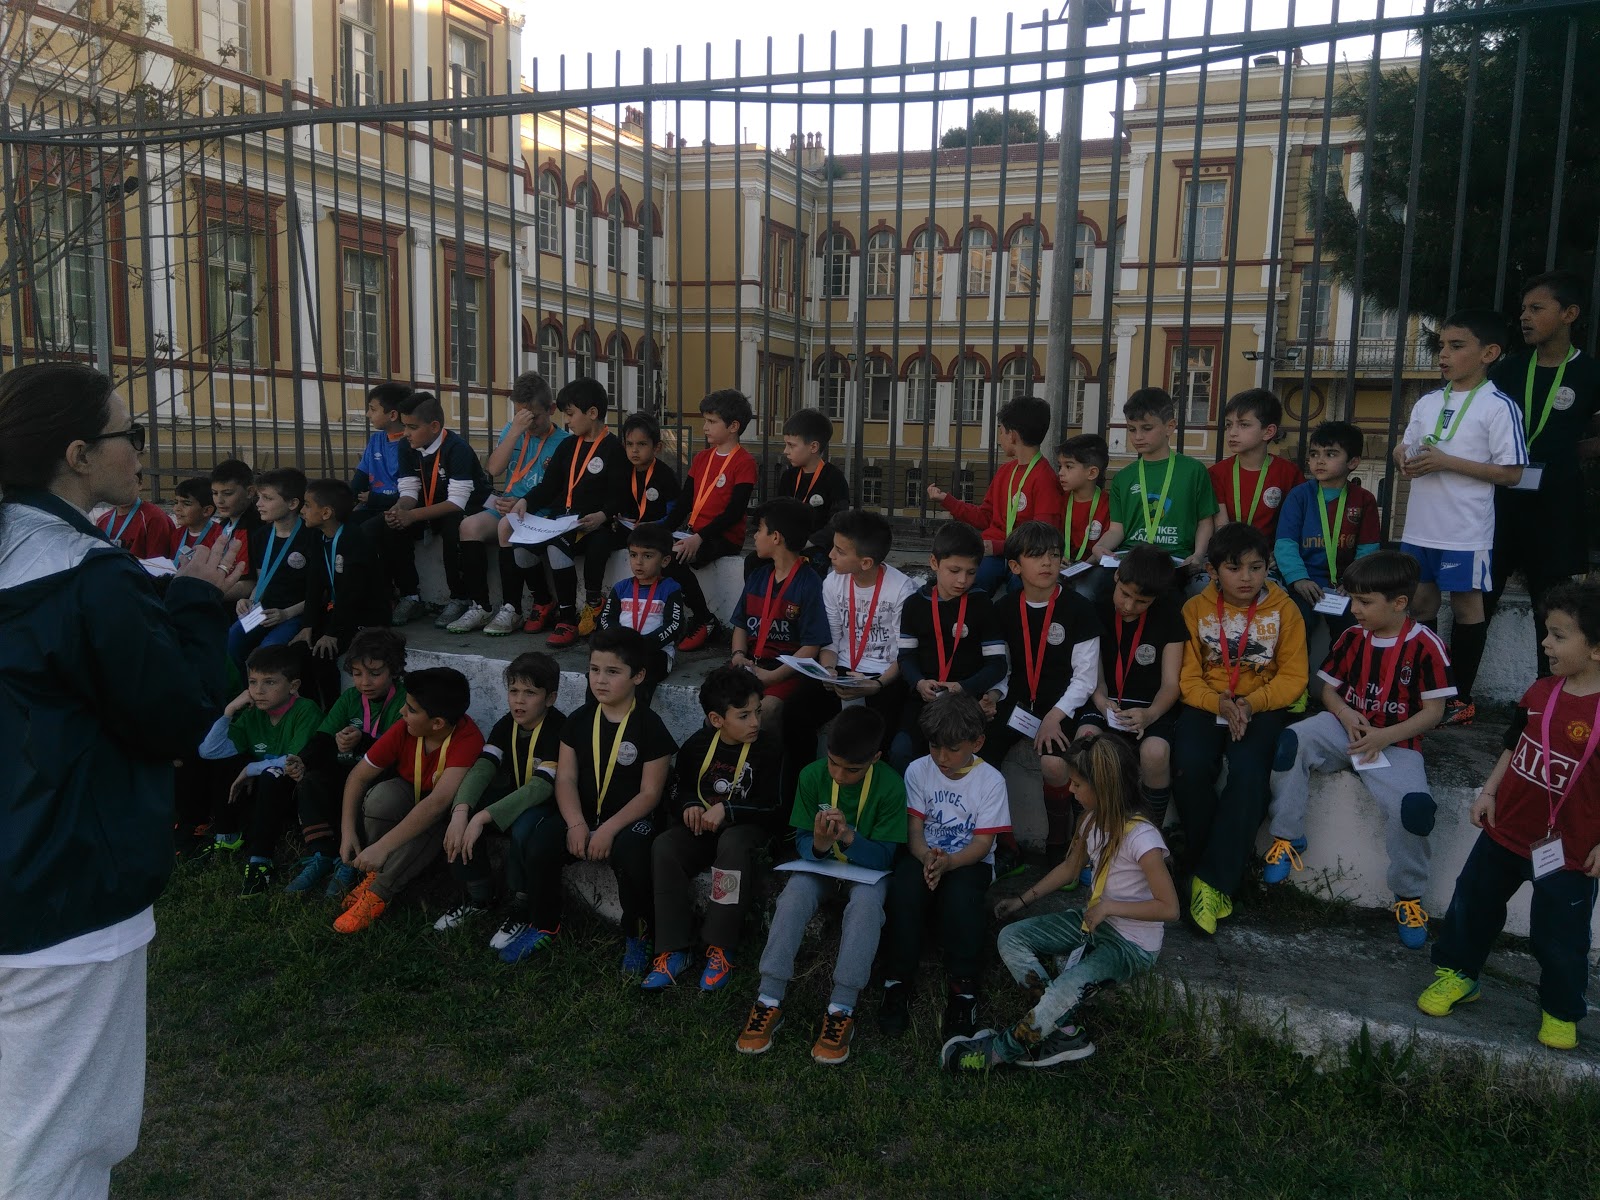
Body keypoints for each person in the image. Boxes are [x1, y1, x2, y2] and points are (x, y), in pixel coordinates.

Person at [0, 361, 238, 1200]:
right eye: (127, 435)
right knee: (59, 1145)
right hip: (63, 889)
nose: (140, 451)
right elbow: (173, 718)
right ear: (77, 454)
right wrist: (197, 601)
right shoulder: (86, 576)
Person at [1419, 582, 1600, 1051]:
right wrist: (1489, 791)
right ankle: (1460, 974)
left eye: (1559, 636)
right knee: (1472, 904)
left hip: (1570, 850)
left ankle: (1560, 1008)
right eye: (1547, 632)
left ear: (1596, 649)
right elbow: (1512, 744)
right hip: (1505, 829)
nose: (1546, 643)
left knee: (1559, 934)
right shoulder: (1539, 690)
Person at [943, 735, 1177, 1072]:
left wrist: (1110, 907)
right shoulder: (1091, 820)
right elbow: (1069, 868)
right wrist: (1021, 901)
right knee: (1011, 937)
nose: (1070, 790)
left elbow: (1169, 908)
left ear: (1104, 788)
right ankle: (1063, 1030)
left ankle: (997, 1053)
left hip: (1131, 945)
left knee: (1063, 990)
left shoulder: (1143, 838)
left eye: (1077, 784)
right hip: (1094, 921)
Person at [1264, 551, 1455, 947]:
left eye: (1364, 602)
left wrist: (1385, 737)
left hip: (1396, 742)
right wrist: (1344, 712)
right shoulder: (1352, 636)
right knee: (1292, 741)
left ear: (1399, 603)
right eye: (1352, 599)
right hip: (1345, 728)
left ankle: (1408, 896)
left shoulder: (1427, 645)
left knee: (1415, 809)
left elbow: (1434, 713)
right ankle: (1287, 836)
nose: (1354, 609)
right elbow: (1328, 690)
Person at [735, 707, 907, 1065]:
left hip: (867, 874)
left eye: (852, 769)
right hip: (821, 868)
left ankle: (841, 1008)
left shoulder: (891, 785)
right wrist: (818, 844)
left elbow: (884, 858)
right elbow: (801, 842)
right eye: (833, 763)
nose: (839, 776)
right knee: (793, 896)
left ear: (875, 758)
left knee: (866, 907)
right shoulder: (812, 775)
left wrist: (848, 837)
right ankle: (768, 998)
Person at [499, 628, 676, 970]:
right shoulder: (579, 720)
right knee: (540, 845)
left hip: (627, 820)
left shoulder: (650, 726)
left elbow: (650, 793)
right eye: (594, 669)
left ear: (638, 676)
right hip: (581, 815)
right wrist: (576, 823)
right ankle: (544, 924)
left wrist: (608, 829)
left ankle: (638, 934)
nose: (600, 680)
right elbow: (565, 778)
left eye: (612, 671)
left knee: (634, 858)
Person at [1171, 522, 1308, 935]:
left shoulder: (1285, 610)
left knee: (1249, 774)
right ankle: (1210, 865)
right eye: (1234, 568)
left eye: (1256, 567)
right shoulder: (1194, 610)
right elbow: (1187, 676)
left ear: (1268, 567)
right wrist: (1219, 702)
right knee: (1190, 766)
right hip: (1209, 703)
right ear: (1212, 571)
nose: (1246, 577)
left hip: (1262, 706)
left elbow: (1294, 677)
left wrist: (1250, 703)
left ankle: (1212, 882)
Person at [1394, 308, 1527, 726]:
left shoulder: (1499, 406)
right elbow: (1404, 446)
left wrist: (1447, 462)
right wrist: (1402, 457)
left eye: (1456, 346)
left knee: (1468, 609)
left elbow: (1512, 473)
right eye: (1441, 346)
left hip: (1464, 532)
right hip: (1420, 526)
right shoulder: (1428, 401)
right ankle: (1427, 692)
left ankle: (1461, 699)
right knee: (1421, 605)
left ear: (1489, 353)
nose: (1444, 355)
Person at [1486, 271, 1600, 679]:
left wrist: (1574, 451)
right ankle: (1458, 697)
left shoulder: (1590, 372)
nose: (1525, 317)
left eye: (1536, 309)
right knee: (1480, 598)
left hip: (1557, 505)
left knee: (1548, 607)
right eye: (1523, 309)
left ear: (1569, 314)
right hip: (1501, 501)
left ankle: (1545, 697)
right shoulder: (1508, 370)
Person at [880, 692, 1011, 1042]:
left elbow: (982, 844)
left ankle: (963, 986)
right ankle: (897, 979)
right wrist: (926, 857)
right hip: (924, 855)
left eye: (952, 749)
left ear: (977, 743)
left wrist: (949, 862)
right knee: (904, 888)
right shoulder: (918, 770)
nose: (941, 757)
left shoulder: (991, 781)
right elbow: (914, 830)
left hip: (969, 860)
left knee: (963, 897)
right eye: (934, 746)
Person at [645, 666, 783, 992]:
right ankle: (674, 948)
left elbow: (777, 807)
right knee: (665, 847)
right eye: (744, 715)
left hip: (746, 832)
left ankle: (721, 947)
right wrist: (689, 805)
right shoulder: (697, 745)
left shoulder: (770, 749)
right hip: (703, 831)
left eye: (758, 712)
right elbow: (677, 789)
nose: (755, 722)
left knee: (733, 846)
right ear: (717, 719)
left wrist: (729, 809)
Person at [979, 520, 1099, 868]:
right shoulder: (1003, 609)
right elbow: (1002, 667)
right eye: (1035, 555)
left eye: (1054, 555)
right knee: (980, 751)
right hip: (1017, 702)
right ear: (1015, 566)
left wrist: (1054, 716)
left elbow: (1085, 678)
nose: (1047, 563)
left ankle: (1059, 841)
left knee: (1053, 762)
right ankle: (1002, 842)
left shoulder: (1079, 608)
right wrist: (993, 696)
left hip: (1065, 705)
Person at [335, 667, 485, 934]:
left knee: (430, 824)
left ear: (437, 723)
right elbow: (358, 777)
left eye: (411, 709)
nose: (402, 712)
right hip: (411, 795)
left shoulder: (468, 739)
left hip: (445, 814)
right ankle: (378, 871)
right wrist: (347, 832)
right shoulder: (405, 727)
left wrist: (382, 847)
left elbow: (437, 804)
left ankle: (380, 891)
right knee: (382, 797)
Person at [438, 652, 566, 947]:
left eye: (530, 693)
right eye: (513, 691)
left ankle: (522, 905)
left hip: (548, 805)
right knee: (461, 806)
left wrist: (483, 818)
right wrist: (461, 811)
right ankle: (478, 896)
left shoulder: (559, 729)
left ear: (550, 698)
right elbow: (483, 768)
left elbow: (541, 788)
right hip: (516, 796)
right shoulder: (506, 724)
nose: (519, 701)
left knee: (524, 829)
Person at [500, 377, 628, 647]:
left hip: (592, 525)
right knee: (520, 546)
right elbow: (549, 487)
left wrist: (602, 515)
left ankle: (568, 618)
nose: (567, 422)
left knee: (556, 548)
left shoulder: (613, 449)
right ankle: (543, 601)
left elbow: (621, 495)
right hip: (561, 521)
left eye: (570, 414)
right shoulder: (568, 446)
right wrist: (525, 502)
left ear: (592, 413)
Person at [283, 628, 409, 898]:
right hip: (347, 769)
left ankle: (351, 858)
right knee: (311, 780)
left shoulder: (404, 700)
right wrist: (301, 760)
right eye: (357, 674)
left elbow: (396, 750)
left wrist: (362, 741)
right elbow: (323, 738)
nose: (365, 682)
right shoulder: (350, 698)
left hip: (383, 775)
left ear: (395, 670)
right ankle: (323, 854)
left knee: (368, 791)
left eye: (375, 674)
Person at [193, 643, 323, 893]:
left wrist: (252, 767)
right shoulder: (254, 714)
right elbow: (209, 751)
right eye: (253, 682)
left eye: (269, 682)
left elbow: (292, 760)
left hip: (293, 792)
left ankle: (260, 860)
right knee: (226, 761)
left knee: (271, 774)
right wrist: (229, 711)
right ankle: (226, 836)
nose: (258, 691)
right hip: (258, 793)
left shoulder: (306, 710)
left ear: (293, 686)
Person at [450, 371, 568, 636]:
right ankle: (480, 605)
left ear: (551, 410)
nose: (529, 423)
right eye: (521, 416)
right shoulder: (513, 431)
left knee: (506, 526)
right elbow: (494, 469)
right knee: (468, 526)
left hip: (537, 512)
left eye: (534, 417)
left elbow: (557, 491)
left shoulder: (564, 442)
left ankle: (512, 608)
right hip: (507, 507)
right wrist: (515, 430)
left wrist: (522, 502)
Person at [1079, 546, 1187, 829]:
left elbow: (1171, 684)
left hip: (1151, 708)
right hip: (1105, 700)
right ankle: (1090, 832)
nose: (1128, 606)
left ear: (1156, 597)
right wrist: (1101, 702)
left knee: (1155, 753)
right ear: (1116, 576)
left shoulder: (1170, 616)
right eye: (1125, 594)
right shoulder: (1097, 608)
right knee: (1085, 742)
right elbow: (1094, 675)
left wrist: (1150, 715)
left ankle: (1148, 834)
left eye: (1141, 602)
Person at [891, 522, 1007, 771]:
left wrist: (964, 687)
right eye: (954, 570)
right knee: (901, 751)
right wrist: (919, 682)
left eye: (971, 572)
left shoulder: (982, 604)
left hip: (968, 700)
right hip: (925, 699)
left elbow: (997, 664)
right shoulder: (914, 604)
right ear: (934, 562)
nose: (962, 580)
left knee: (978, 760)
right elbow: (906, 657)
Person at [380, 391, 494, 631]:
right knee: (387, 528)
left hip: (467, 507)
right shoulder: (406, 446)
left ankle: (460, 598)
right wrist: (399, 510)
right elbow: (409, 490)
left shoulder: (457, 448)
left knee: (454, 527)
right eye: (404, 426)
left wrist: (412, 515)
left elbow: (457, 502)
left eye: (412, 427)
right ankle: (410, 596)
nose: (406, 433)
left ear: (434, 426)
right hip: (431, 507)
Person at [929, 394, 1064, 594]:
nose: (1000, 438)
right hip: (994, 555)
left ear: (1013, 436)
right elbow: (985, 517)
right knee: (966, 582)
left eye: (1001, 431)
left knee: (1021, 589)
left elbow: (1041, 538)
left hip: (1026, 557)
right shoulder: (1005, 472)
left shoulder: (1045, 478)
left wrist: (998, 547)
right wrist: (947, 500)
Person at [659, 388, 759, 650]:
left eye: (712, 421)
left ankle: (704, 619)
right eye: (705, 420)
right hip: (695, 534)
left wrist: (699, 538)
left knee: (672, 559)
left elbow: (734, 512)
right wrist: (662, 531)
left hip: (723, 537)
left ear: (733, 426)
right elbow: (684, 502)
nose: (705, 427)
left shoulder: (744, 462)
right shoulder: (702, 458)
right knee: (653, 548)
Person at [728, 498, 831, 749]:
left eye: (759, 530)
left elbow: (811, 647)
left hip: (786, 671)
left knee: (768, 710)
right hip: (751, 665)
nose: (754, 536)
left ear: (776, 537)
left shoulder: (810, 583)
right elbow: (741, 624)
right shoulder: (758, 576)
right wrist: (738, 655)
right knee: (719, 706)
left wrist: (772, 677)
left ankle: (768, 765)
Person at [1093, 387, 1218, 584]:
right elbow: (1117, 530)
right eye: (1132, 429)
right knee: (1091, 588)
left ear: (1170, 427)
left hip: (1174, 559)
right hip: (1131, 560)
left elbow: (1205, 521)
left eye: (1147, 428)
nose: (1137, 437)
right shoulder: (1123, 477)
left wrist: (1198, 554)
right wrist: (1100, 546)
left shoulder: (1194, 470)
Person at [1273, 420, 1380, 645]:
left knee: (1354, 630)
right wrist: (1298, 578)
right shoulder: (1299, 496)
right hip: (1305, 581)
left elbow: (1368, 549)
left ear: (1353, 462)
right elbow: (1285, 543)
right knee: (1297, 624)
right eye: (1314, 454)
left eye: (1330, 454)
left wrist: (1353, 582)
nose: (1319, 461)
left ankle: (1341, 668)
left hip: (1344, 585)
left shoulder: (1364, 499)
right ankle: (1298, 669)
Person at [818, 509, 917, 748]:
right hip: (842, 670)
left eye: (840, 551)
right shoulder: (833, 581)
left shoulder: (902, 589)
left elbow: (904, 653)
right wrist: (828, 670)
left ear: (866, 563)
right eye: (833, 547)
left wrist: (877, 684)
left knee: (878, 734)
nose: (831, 555)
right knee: (797, 712)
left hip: (885, 675)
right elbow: (832, 638)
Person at [292, 478, 388, 708]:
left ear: (326, 513)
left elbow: (352, 593)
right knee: (298, 651)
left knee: (323, 655)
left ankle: (331, 711)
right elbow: (315, 583)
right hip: (338, 611)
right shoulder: (318, 535)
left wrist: (332, 633)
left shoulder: (355, 539)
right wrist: (308, 625)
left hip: (364, 616)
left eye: (307, 505)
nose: (302, 510)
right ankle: (310, 710)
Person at [227, 466, 317, 675]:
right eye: (259, 497)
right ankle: (244, 691)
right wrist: (249, 600)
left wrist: (286, 614)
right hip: (263, 611)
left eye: (267, 498)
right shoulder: (261, 536)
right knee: (232, 640)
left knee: (268, 651)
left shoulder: (311, 537)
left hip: (295, 614)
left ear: (292, 504)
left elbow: (319, 591)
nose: (258, 504)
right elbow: (262, 580)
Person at [595, 520, 687, 705]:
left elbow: (674, 625)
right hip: (622, 649)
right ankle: (594, 714)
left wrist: (644, 644)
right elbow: (606, 619)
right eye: (633, 555)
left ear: (665, 560)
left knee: (643, 677)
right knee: (597, 672)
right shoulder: (621, 588)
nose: (638, 562)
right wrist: (619, 641)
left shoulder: (671, 589)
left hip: (655, 653)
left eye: (647, 556)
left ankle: (637, 717)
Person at [1208, 389, 1304, 538]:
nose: (1232, 432)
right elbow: (1221, 525)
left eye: (1244, 425)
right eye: (1228, 425)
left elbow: (1296, 523)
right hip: (1230, 548)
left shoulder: (1289, 473)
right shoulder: (1217, 473)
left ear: (1268, 432)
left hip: (1274, 550)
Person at [777, 407, 851, 573]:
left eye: (791, 445)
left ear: (813, 447)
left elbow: (838, 521)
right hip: (787, 545)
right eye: (786, 444)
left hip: (817, 548)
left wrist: (809, 542)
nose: (785, 451)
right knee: (754, 562)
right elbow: (777, 513)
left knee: (808, 569)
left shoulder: (834, 478)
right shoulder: (788, 476)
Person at [349, 381, 413, 518]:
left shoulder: (412, 444)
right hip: (369, 507)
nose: (368, 414)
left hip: (396, 512)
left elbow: (411, 494)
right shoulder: (375, 440)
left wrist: (375, 499)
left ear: (393, 415)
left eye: (373, 409)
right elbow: (360, 479)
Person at [1056, 433, 1112, 576]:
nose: (1061, 473)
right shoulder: (1058, 500)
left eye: (1068, 466)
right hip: (1060, 566)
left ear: (1092, 473)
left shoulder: (1109, 505)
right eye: (1060, 466)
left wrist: (1083, 567)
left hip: (1094, 568)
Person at [96, 469, 174, 559]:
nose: (122, 491)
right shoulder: (102, 521)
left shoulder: (154, 518)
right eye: (115, 486)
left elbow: (157, 564)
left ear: (140, 484)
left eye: (128, 485)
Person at [168, 475, 223, 564]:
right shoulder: (177, 535)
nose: (176, 509)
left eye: (186, 504)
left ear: (206, 510)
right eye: (176, 502)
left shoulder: (220, 536)